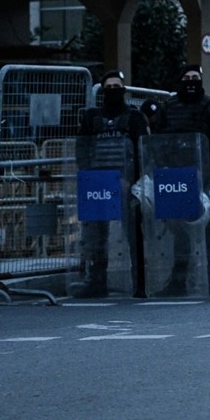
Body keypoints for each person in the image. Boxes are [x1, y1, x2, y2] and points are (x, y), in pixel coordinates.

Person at [153, 63, 210, 296]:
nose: (191, 82)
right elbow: (157, 139)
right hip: (176, 177)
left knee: (208, 229)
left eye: (195, 78)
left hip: (203, 176)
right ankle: (179, 281)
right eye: (187, 78)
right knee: (179, 232)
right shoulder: (169, 107)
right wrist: (164, 165)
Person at [71, 70, 150, 298]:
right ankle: (96, 281)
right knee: (95, 237)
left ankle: (140, 283)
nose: (113, 91)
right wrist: (89, 178)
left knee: (133, 234)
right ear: (103, 90)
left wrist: (132, 180)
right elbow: (82, 149)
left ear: (123, 90)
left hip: (126, 184)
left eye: (117, 87)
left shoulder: (134, 117)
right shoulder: (91, 117)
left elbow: (142, 150)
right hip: (98, 184)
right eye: (109, 87)